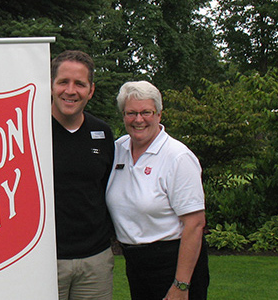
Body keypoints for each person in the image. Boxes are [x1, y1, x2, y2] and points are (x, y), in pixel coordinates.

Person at [105, 81, 209, 300]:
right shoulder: (118, 149)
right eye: (131, 113)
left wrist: (181, 285)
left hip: (174, 264)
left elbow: (195, 224)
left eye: (146, 112)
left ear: (159, 114)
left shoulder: (178, 157)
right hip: (136, 264)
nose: (138, 119)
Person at [51, 50, 115, 300]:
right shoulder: (30, 130)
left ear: (91, 90)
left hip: (95, 261)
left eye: (80, 84)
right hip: (45, 261)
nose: (70, 90)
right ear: (51, 85)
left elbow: (107, 188)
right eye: (63, 82)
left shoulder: (102, 132)